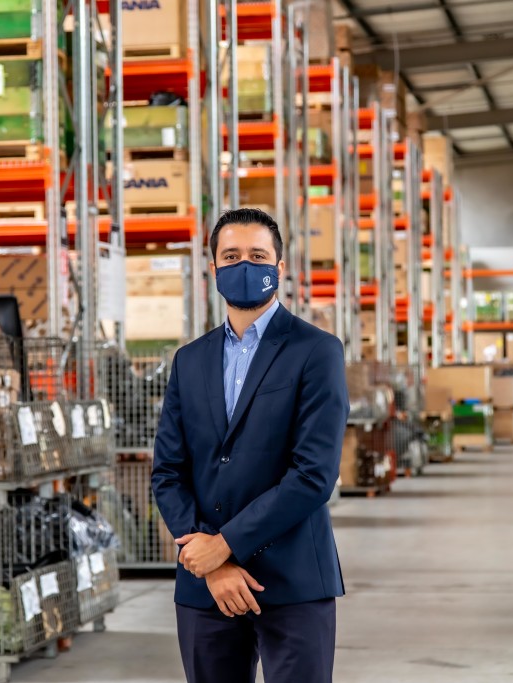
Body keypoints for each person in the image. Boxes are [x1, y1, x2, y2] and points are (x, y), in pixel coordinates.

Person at [152, 207, 350, 683]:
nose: (244, 265)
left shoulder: (316, 351)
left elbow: (313, 475)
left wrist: (224, 546)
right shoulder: (189, 361)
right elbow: (168, 472)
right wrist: (210, 563)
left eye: (257, 256)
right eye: (231, 256)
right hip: (205, 587)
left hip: (293, 580)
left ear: (279, 267)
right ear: (213, 268)